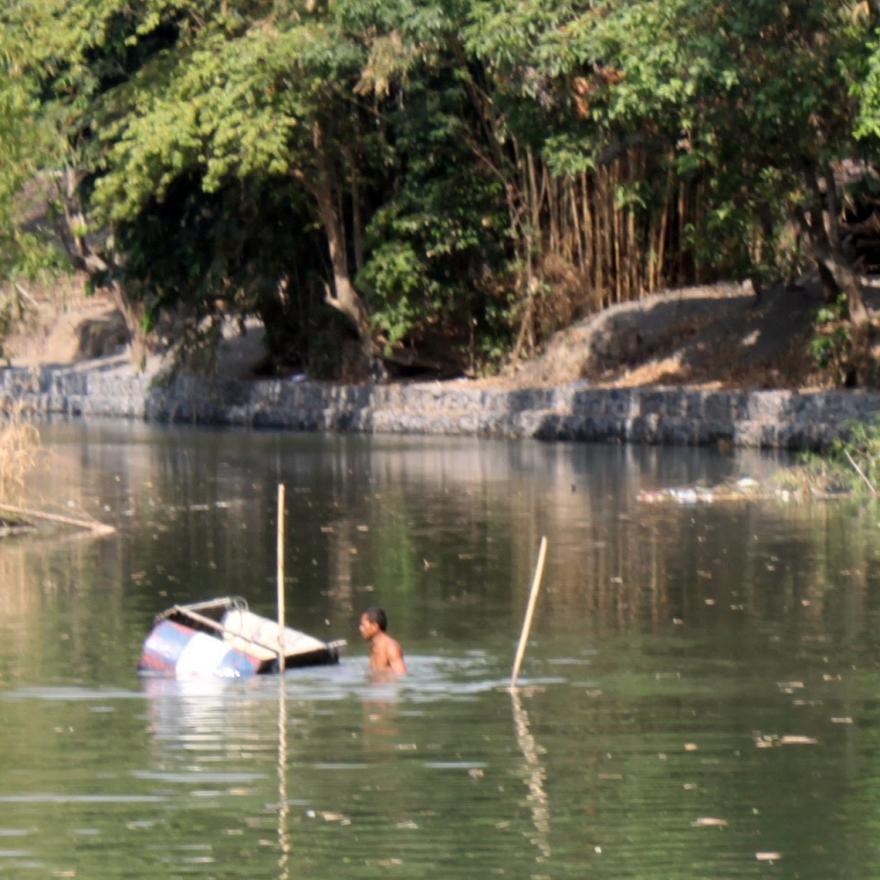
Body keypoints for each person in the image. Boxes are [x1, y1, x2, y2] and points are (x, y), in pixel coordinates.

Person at [358, 606, 407, 674]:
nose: (360, 628)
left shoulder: (390, 647)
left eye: (363, 625)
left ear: (375, 626)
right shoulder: (373, 646)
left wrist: (381, 672)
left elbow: (401, 674)